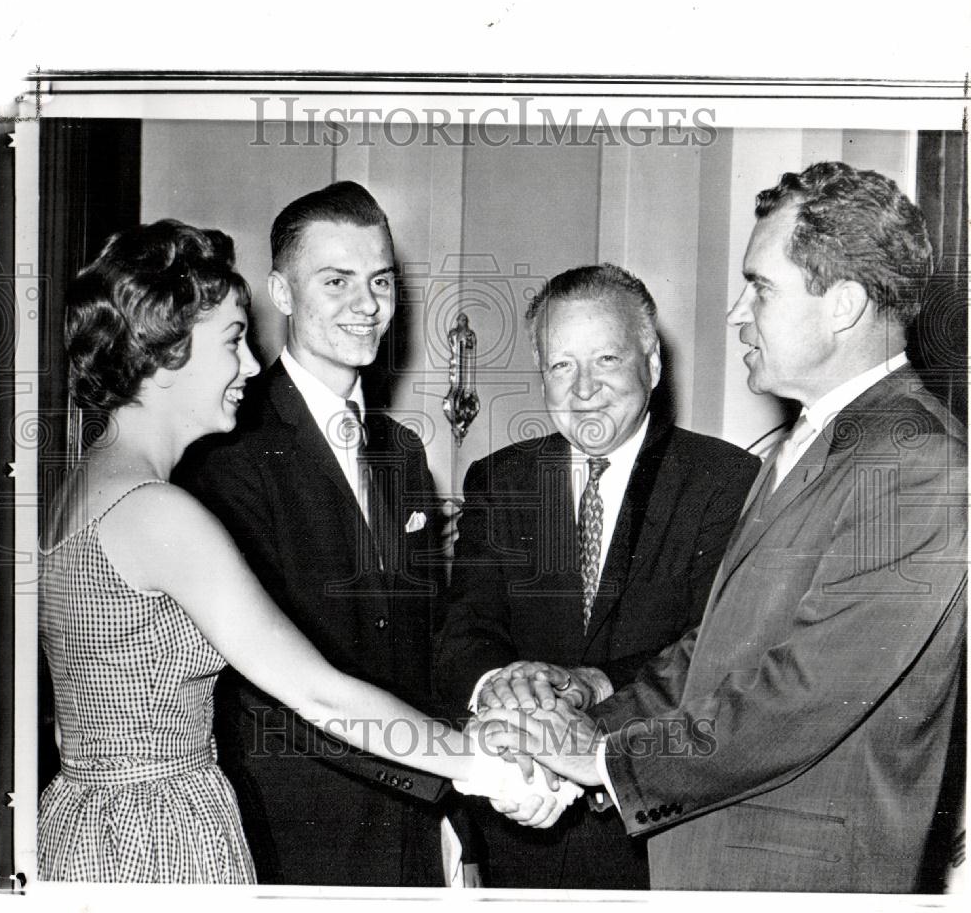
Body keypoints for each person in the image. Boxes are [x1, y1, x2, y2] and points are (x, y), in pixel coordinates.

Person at [481, 161, 968, 893]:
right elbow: (714, 653)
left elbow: (803, 695)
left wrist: (606, 759)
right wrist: (584, 719)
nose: (739, 311)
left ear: (842, 304)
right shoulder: (815, 443)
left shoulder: (920, 460)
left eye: (761, 287)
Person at [37, 219, 553, 884]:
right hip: (160, 833)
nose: (251, 365)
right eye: (232, 342)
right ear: (168, 356)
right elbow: (318, 691)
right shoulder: (159, 514)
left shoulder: (77, 491)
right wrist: (476, 766)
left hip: (85, 823)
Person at [175, 182, 476, 885]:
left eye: (380, 281)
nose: (366, 305)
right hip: (290, 828)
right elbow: (272, 685)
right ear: (280, 291)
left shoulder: (401, 450)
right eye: (336, 281)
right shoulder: (226, 449)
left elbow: (425, 637)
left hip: (412, 825)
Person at [434, 263, 759, 888]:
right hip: (520, 823)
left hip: (654, 839)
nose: (584, 388)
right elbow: (464, 631)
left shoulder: (724, 483)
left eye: (606, 359)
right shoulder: (500, 480)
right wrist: (500, 685)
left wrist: (591, 682)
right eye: (561, 366)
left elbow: (712, 653)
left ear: (652, 365)